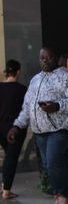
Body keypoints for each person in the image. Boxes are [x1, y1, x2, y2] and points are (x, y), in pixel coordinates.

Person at [7, 47, 68, 204]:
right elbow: (27, 107)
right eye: (42, 58)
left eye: (48, 57)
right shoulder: (35, 80)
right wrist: (17, 126)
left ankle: (64, 197)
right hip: (39, 132)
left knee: (54, 161)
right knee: (50, 166)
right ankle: (60, 195)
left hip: (59, 129)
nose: (45, 60)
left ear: (55, 58)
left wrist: (57, 106)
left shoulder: (65, 77)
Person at [0, 60, 27, 200]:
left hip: (0, 129)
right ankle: (6, 191)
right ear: (18, 72)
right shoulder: (22, 89)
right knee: (11, 158)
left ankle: (4, 184)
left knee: (7, 157)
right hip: (15, 130)